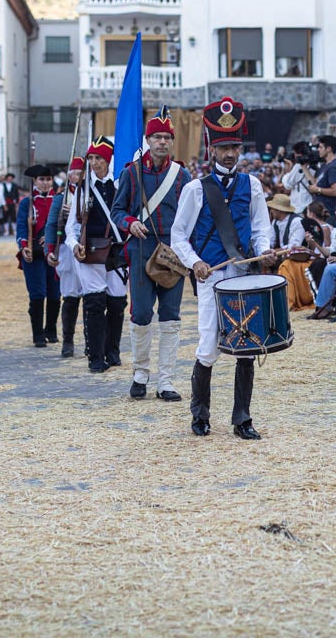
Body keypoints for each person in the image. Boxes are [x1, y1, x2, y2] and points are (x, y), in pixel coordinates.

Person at [171, 97, 273, 439]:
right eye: (223, 147)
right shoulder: (195, 189)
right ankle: (200, 415)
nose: (230, 153)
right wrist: (195, 262)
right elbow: (178, 235)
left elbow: (260, 227)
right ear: (211, 149)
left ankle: (242, 418)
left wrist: (265, 251)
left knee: (247, 344)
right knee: (209, 346)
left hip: (244, 276)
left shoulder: (253, 185)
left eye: (234, 146)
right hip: (212, 276)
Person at [110, 111, 191, 402]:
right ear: (147, 140)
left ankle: (165, 381)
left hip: (174, 253)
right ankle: (140, 374)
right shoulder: (131, 173)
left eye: (167, 137)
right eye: (157, 137)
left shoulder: (182, 176)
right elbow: (116, 211)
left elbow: (192, 216)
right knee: (141, 314)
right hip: (141, 248)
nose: (162, 142)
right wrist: (130, 222)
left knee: (171, 316)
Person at [66, 138, 127, 373]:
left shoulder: (121, 185)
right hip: (91, 251)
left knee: (117, 303)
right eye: (91, 158)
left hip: (117, 251)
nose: (94, 163)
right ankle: (95, 356)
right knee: (94, 303)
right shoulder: (82, 190)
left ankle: (113, 351)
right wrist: (74, 246)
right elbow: (72, 228)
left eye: (99, 158)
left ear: (108, 160)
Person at [17, 164, 61, 348]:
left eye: (48, 179)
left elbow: (62, 225)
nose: (45, 183)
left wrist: (50, 237)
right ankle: (38, 334)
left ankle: (51, 329)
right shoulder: (27, 203)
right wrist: (24, 246)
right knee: (38, 293)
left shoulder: (58, 200)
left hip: (52, 251)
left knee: (54, 293)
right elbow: (21, 227)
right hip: (34, 253)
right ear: (35, 181)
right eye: (42, 179)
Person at [46, 158, 85, 357]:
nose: (79, 177)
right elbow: (52, 225)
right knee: (70, 297)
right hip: (67, 252)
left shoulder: (90, 193)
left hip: (88, 247)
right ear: (70, 176)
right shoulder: (61, 198)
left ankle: (91, 342)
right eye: (77, 173)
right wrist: (50, 250)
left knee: (91, 296)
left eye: (82, 173)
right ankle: (67, 341)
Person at [307, 135, 336, 219]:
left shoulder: (333, 167)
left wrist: (318, 190)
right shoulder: (324, 165)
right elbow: (315, 183)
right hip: (319, 213)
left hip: (328, 213)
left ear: (329, 149)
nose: (318, 150)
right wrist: (304, 167)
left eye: (320, 147)